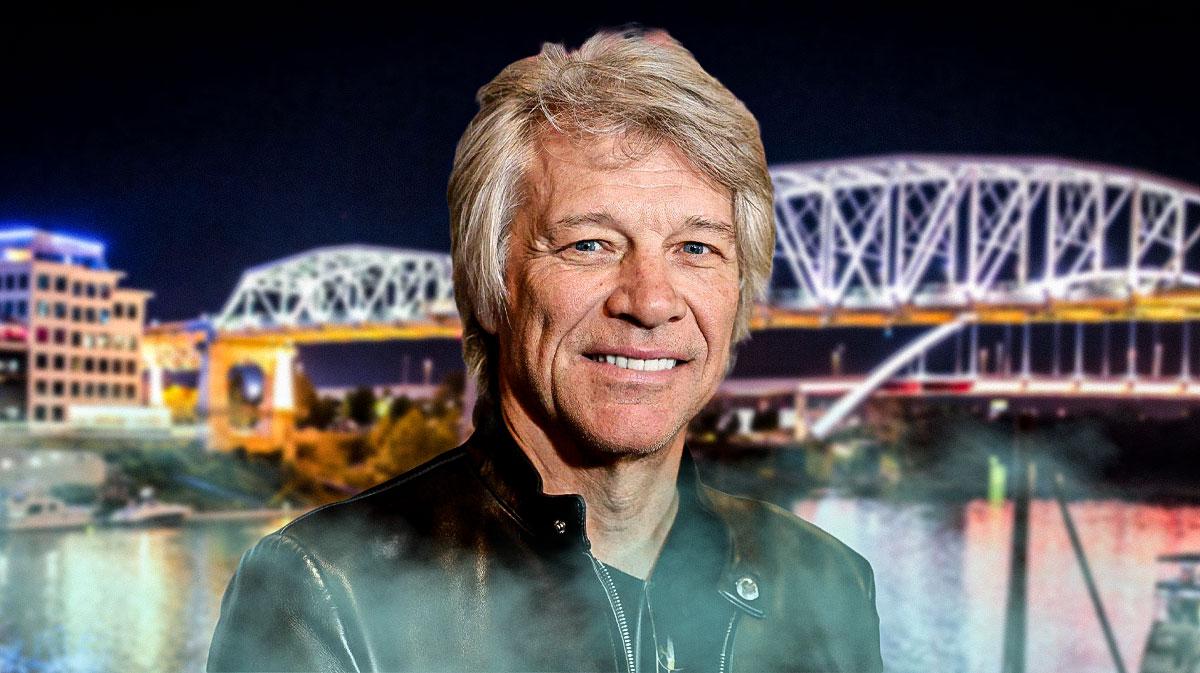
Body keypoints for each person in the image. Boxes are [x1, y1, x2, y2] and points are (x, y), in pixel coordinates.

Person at [207, 26, 883, 673]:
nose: (649, 301)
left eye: (696, 249)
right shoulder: (322, 590)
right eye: (589, 243)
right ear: (493, 280)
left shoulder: (827, 583)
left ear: (739, 288)